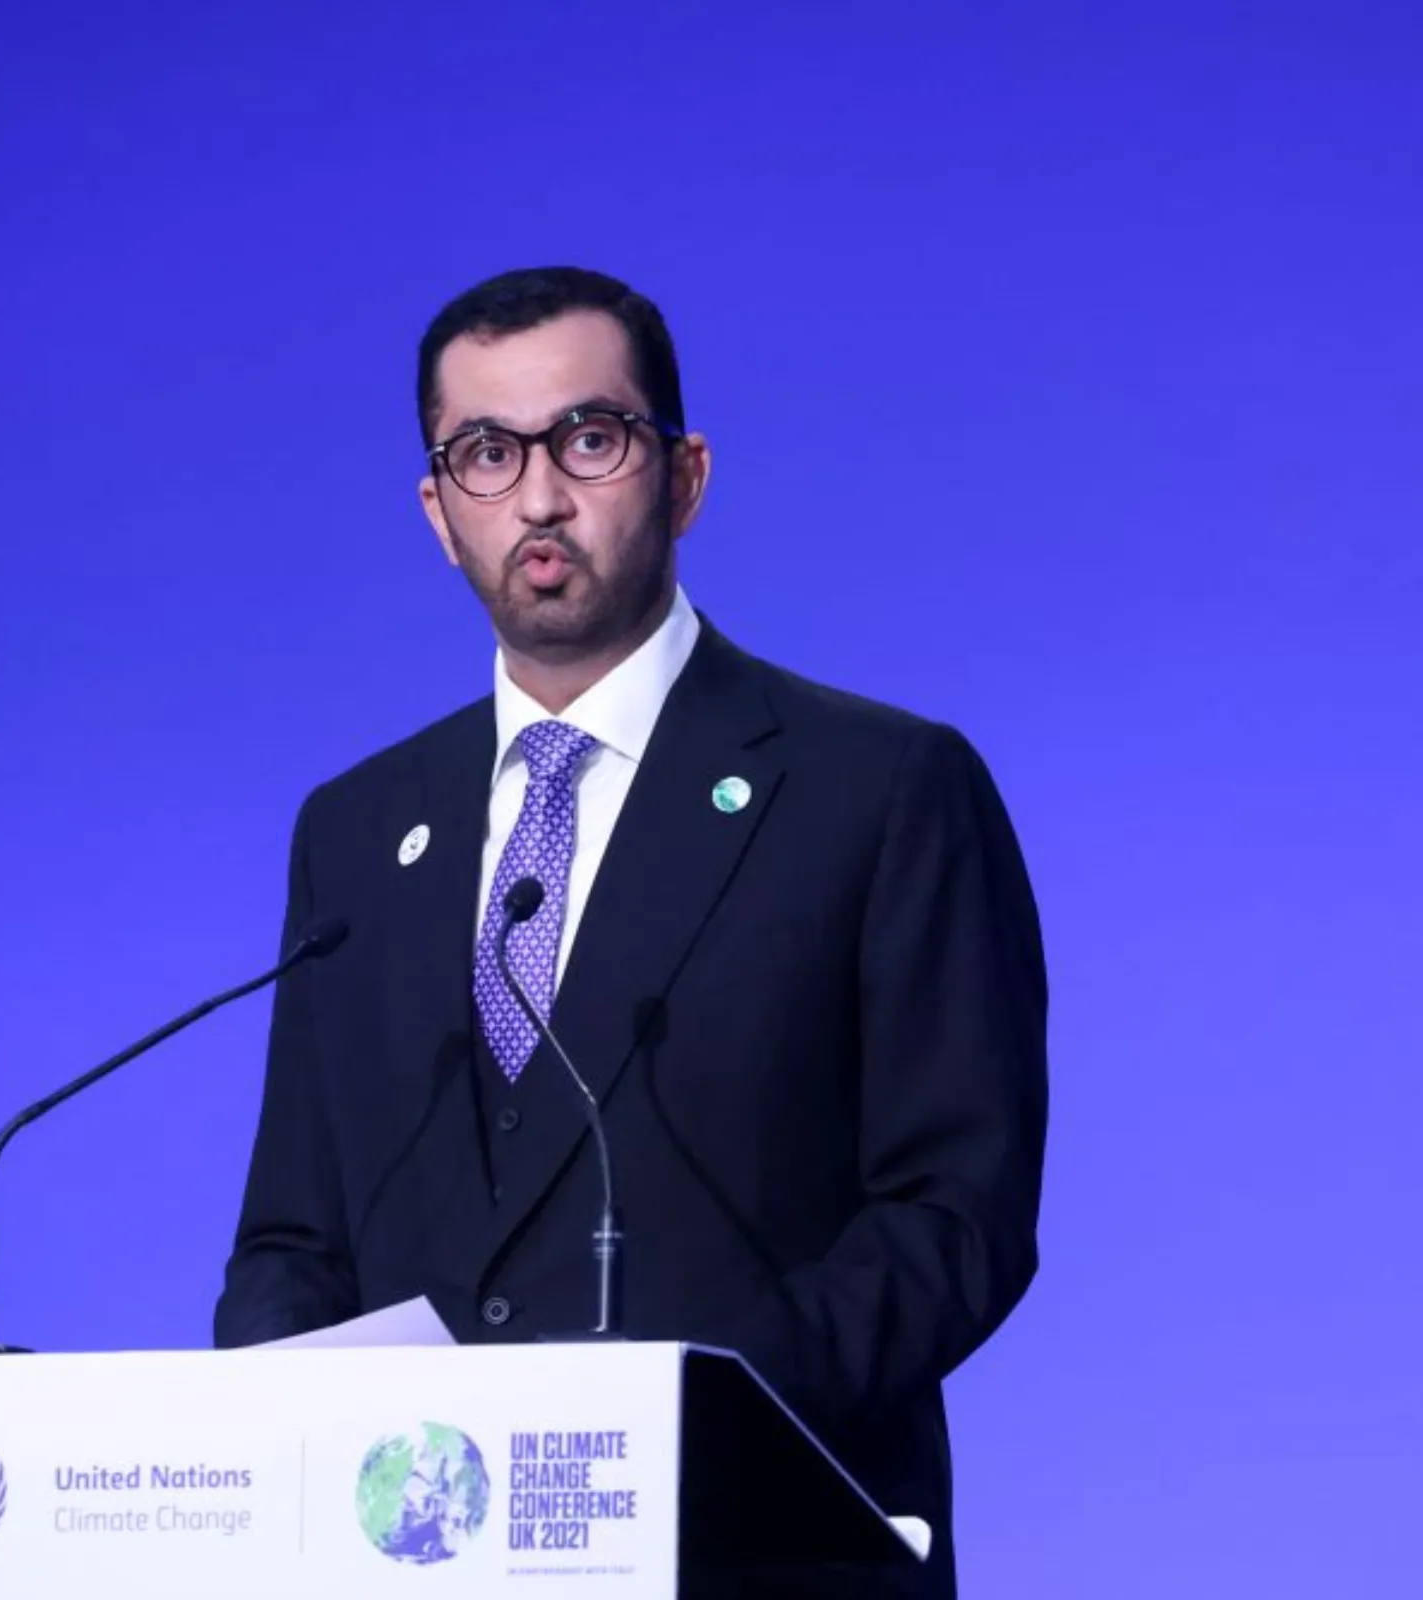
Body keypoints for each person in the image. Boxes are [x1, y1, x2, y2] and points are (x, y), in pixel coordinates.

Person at [212, 265, 1049, 1596]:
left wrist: (685, 1420)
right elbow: (293, 1243)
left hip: (747, 1546)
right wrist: (286, 1454)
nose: (539, 497)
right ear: (438, 513)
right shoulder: (359, 829)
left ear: (685, 474)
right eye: (487, 454)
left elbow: (957, 1217)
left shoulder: (878, 789)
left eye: (587, 440)